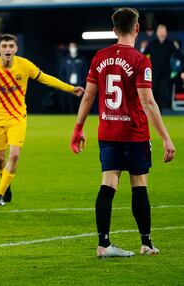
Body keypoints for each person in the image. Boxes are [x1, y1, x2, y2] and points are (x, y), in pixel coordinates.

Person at [71, 7, 175, 258]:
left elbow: (88, 96)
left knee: (107, 185)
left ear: (114, 29)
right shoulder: (141, 61)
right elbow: (148, 102)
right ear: (137, 28)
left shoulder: (99, 57)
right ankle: (146, 243)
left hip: (107, 132)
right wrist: (165, 137)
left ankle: (103, 244)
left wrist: (78, 128)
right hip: (135, 134)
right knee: (139, 186)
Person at [0, 34, 84, 206]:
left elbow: (46, 78)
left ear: (16, 49)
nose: (8, 49)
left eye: (11, 46)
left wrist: (70, 89)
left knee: (15, 155)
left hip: (17, 117)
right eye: (5, 46)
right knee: (0, 159)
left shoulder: (24, 65)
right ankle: (5, 184)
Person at [144, 24, 184, 111]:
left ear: (166, 32)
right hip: (153, 75)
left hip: (165, 76)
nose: (162, 33)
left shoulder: (170, 44)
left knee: (163, 95)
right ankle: (151, 113)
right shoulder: (152, 44)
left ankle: (159, 113)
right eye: (160, 31)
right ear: (157, 32)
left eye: (164, 31)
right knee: (152, 95)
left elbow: (180, 56)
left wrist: (183, 71)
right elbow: (142, 56)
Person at [59, 42, 88, 113]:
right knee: (70, 103)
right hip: (69, 85)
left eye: (74, 47)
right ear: (69, 48)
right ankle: (70, 116)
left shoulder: (82, 59)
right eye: (71, 47)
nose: (73, 49)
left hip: (80, 85)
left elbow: (86, 72)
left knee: (80, 103)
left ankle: (80, 115)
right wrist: (65, 84)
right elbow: (62, 73)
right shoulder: (65, 60)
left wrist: (83, 83)